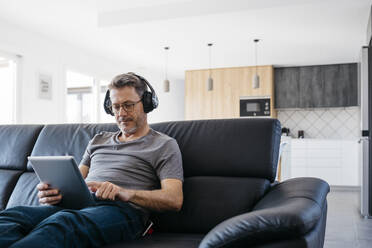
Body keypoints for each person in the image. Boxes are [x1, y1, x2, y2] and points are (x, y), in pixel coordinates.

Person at [0, 72, 184, 248]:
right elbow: (76, 181)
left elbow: (174, 199)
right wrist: (52, 194)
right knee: (10, 217)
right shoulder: (98, 140)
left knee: (61, 224)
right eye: (116, 106)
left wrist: (126, 193)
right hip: (80, 205)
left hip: (122, 211)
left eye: (128, 105)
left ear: (146, 104)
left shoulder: (164, 144)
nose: (121, 113)